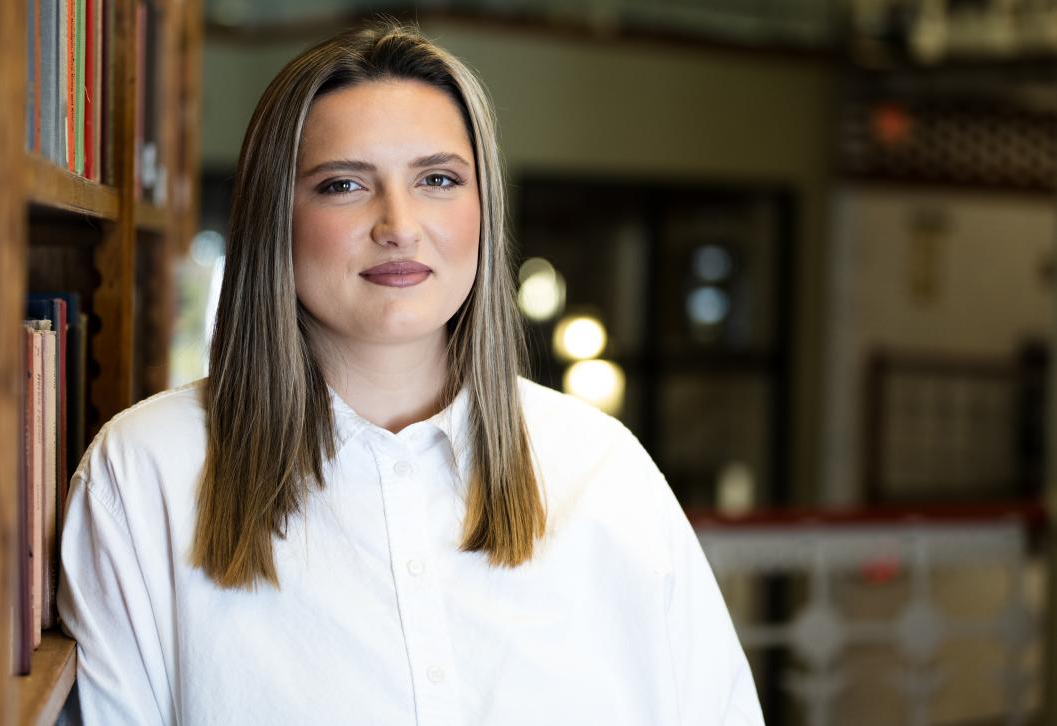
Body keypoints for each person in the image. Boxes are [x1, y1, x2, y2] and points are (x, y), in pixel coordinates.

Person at [58, 21, 763, 726]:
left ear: (483, 208)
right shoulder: (144, 475)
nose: (398, 224)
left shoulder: (605, 471)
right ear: (275, 216)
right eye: (343, 184)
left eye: (436, 179)